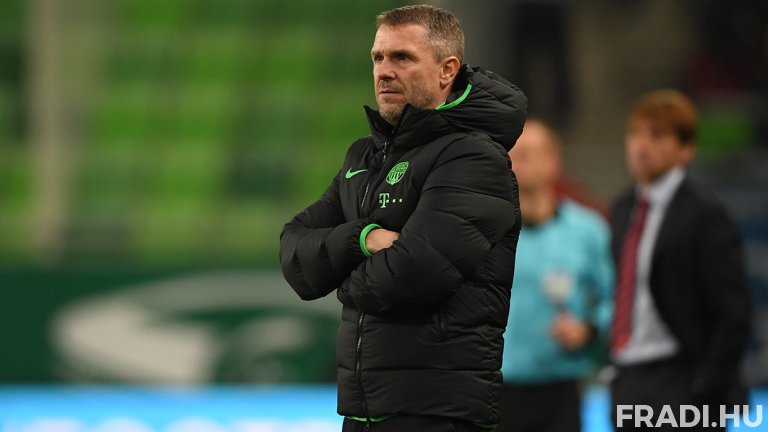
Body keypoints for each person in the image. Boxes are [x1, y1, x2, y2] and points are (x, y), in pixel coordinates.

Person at [279, 4, 527, 432]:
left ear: (447, 70)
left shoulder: (474, 156)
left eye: (402, 58)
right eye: (378, 57)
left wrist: (340, 277)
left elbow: (412, 275)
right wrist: (363, 239)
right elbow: (295, 252)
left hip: (437, 413)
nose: (384, 71)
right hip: (363, 410)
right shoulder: (364, 156)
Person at [608, 90, 751, 431]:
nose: (641, 146)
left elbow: (734, 314)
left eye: (657, 136)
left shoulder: (705, 215)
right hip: (629, 376)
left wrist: (705, 383)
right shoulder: (623, 209)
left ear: (686, 149)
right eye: (635, 134)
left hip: (681, 377)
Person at [499, 118, 614, 432]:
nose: (521, 161)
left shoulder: (588, 231)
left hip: (560, 390)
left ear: (554, 162)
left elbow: (616, 300)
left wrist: (588, 329)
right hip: (493, 389)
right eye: (514, 153)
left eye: (531, 153)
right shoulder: (483, 232)